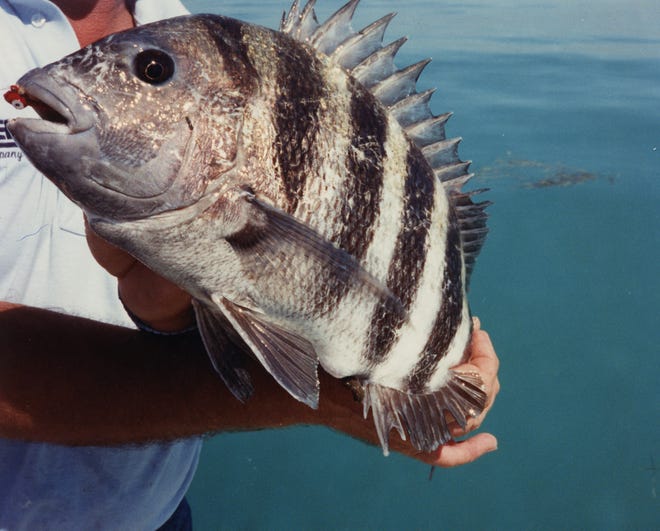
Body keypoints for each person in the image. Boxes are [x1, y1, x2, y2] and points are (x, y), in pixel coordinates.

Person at [0, 0, 500, 528]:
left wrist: (429, 373)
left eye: (152, 74)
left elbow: (304, 288)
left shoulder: (186, 31)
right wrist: (315, 401)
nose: (149, 72)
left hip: (157, 516)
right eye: (153, 72)